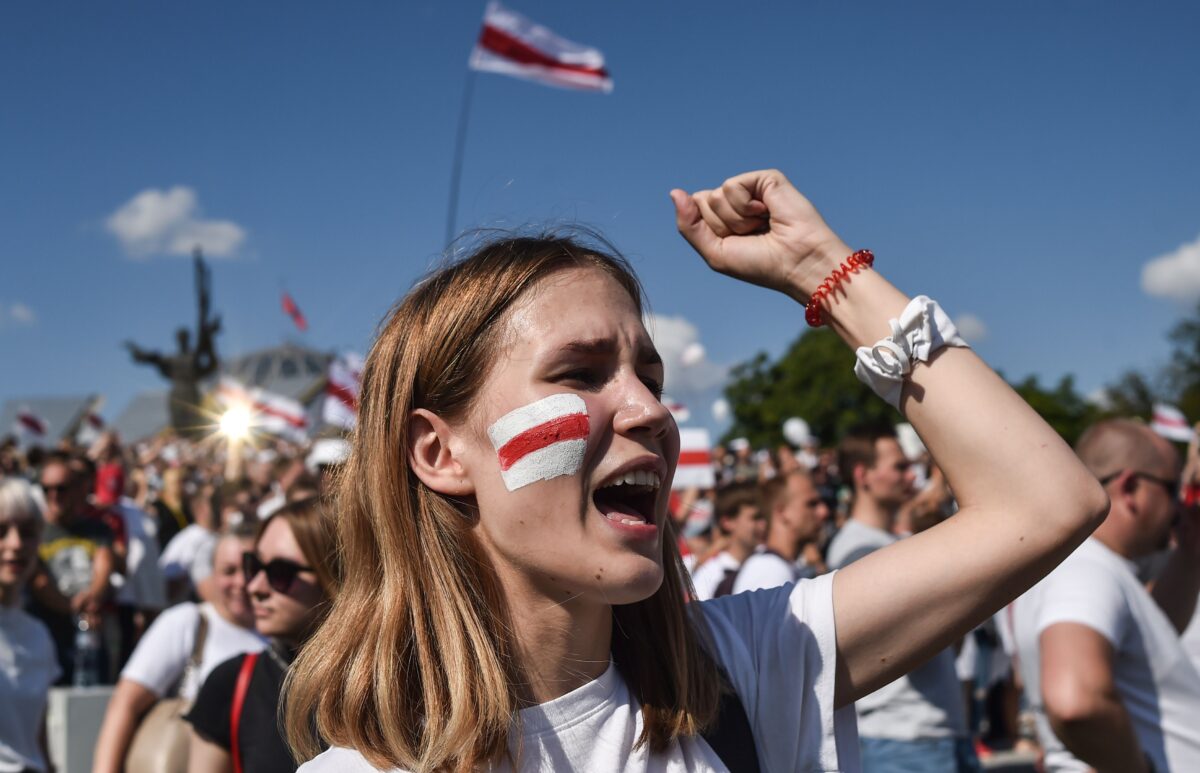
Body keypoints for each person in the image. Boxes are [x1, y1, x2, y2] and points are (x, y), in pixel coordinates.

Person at [285, 169, 1107, 772]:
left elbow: (1047, 499)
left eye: (651, 375)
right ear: (439, 452)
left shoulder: (743, 675)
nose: (649, 410)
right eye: (579, 372)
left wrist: (822, 270)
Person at [1012, 419, 1200, 772]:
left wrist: (1191, 552)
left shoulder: (1088, 565)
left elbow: (1149, 648)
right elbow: (1075, 701)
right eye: (1173, 489)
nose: (1179, 507)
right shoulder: (1086, 569)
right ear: (1130, 487)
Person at [826, 425, 973, 772]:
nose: (912, 475)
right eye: (900, 467)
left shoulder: (886, 544)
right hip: (904, 740)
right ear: (863, 475)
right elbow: (927, 631)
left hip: (926, 734)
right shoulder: (858, 549)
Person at [92, 522, 265, 773]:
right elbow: (125, 704)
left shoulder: (277, 636)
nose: (241, 581)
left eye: (250, 569)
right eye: (229, 571)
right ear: (213, 574)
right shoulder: (189, 622)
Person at [186, 497, 338, 773]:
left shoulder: (391, 687)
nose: (254, 586)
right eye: (253, 566)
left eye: (280, 572)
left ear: (336, 574)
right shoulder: (231, 684)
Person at [30, 453, 117, 683]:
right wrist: (74, 608)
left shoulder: (97, 529)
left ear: (78, 489)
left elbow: (104, 565)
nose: (53, 495)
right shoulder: (34, 532)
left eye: (61, 488)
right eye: (46, 488)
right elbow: (39, 581)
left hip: (90, 634)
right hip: (50, 634)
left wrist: (91, 599)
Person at [0, 478, 60, 773]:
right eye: (1, 531)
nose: (16, 544)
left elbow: (37, 739)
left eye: (27, 532)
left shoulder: (39, 636)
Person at [731, 469, 830, 593]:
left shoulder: (777, 567)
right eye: (811, 504)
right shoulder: (771, 571)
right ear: (782, 512)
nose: (823, 512)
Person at [689, 482, 765, 600]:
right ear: (727, 523)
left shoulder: (765, 562)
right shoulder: (710, 574)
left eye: (763, 518)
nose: (762, 525)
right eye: (754, 518)